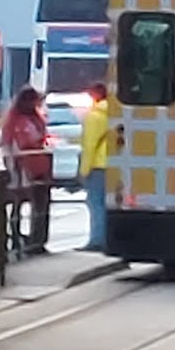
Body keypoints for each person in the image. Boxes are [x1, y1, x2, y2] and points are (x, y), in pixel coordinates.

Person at [1, 86, 52, 255]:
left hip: (39, 166)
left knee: (40, 206)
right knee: (18, 206)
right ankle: (17, 239)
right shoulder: (15, 120)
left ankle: (37, 241)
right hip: (23, 167)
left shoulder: (36, 118)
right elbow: (12, 143)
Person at [78, 83, 110, 252]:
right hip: (115, 163)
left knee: (95, 203)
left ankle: (97, 240)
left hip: (98, 165)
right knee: (106, 204)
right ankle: (106, 238)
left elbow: (89, 145)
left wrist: (84, 171)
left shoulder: (95, 116)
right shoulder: (116, 112)